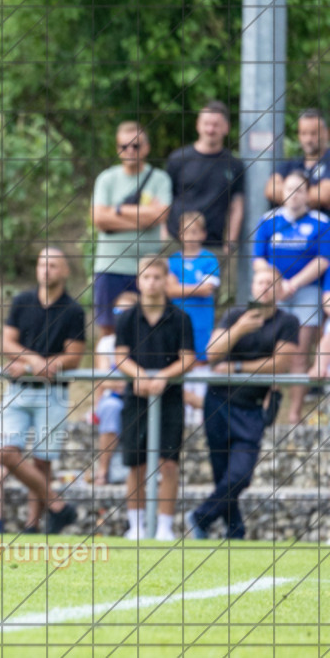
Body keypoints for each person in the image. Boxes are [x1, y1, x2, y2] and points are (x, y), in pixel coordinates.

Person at [187, 265, 299, 539]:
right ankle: (234, 530)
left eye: (271, 283)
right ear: (252, 287)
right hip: (218, 402)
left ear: (280, 290)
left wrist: (236, 368)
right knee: (222, 473)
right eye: (260, 282)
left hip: (251, 407)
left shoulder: (288, 322)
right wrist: (238, 329)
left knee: (241, 475)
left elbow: (280, 364)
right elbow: (212, 353)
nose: (265, 287)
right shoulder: (235, 315)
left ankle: (201, 515)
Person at [0, 247, 84, 534]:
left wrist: (47, 365)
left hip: (53, 392)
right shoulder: (22, 301)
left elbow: (74, 355)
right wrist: (34, 361)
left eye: (54, 265)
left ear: (65, 271)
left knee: (43, 460)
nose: (46, 270)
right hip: (19, 389)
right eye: (42, 264)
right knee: (7, 453)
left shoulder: (73, 310)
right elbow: (6, 344)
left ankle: (33, 525)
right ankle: (58, 506)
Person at [114, 255, 196, 541]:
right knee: (135, 463)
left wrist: (163, 376)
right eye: (146, 277)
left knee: (169, 463)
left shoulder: (180, 318)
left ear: (166, 280)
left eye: (157, 277)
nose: (151, 283)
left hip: (170, 397)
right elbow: (120, 356)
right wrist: (138, 375)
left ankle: (164, 526)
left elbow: (188, 358)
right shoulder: (126, 318)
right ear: (138, 281)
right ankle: (136, 525)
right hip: (135, 398)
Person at [254, 170, 329, 424]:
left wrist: (293, 284)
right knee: (269, 354)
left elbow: (322, 261)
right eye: (289, 189)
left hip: (306, 292)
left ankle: (294, 415)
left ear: (307, 194)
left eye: (299, 190)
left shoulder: (321, 222)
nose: (294, 195)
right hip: (272, 293)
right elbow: (257, 259)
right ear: (282, 192)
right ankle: (266, 413)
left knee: (299, 355)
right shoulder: (267, 220)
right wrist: (274, 284)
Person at [91, 121, 172, 336]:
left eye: (135, 146)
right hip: (110, 267)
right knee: (108, 327)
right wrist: (143, 217)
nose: (129, 151)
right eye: (123, 146)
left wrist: (115, 211)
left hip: (148, 270)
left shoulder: (160, 179)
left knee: (149, 326)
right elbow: (99, 218)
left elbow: (161, 215)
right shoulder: (106, 178)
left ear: (146, 147)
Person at [166, 101, 246, 300]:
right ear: (198, 125)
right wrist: (163, 233)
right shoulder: (179, 158)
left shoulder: (234, 164)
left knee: (209, 300)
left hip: (213, 245)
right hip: (175, 243)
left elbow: (237, 205)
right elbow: (166, 198)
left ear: (226, 128)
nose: (211, 129)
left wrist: (230, 242)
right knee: (170, 299)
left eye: (216, 124)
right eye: (206, 123)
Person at [167, 211, 220, 425]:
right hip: (177, 322)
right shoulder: (172, 260)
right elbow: (168, 291)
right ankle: (182, 412)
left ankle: (199, 414)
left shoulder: (209, 259)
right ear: (180, 234)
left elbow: (207, 289)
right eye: (186, 231)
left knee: (200, 359)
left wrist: (179, 288)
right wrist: (190, 289)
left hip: (201, 322)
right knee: (179, 359)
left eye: (195, 231)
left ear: (203, 234)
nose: (190, 235)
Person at [92, 292, 137, 486]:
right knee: (111, 408)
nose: (122, 316)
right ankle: (102, 470)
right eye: (118, 311)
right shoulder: (107, 343)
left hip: (137, 396)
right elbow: (103, 379)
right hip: (113, 397)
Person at [266, 109, 330, 208]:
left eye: (314, 133)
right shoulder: (292, 163)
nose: (308, 139)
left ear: (326, 133)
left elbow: (325, 195)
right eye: (304, 133)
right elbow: (271, 190)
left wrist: (288, 192)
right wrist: (310, 194)